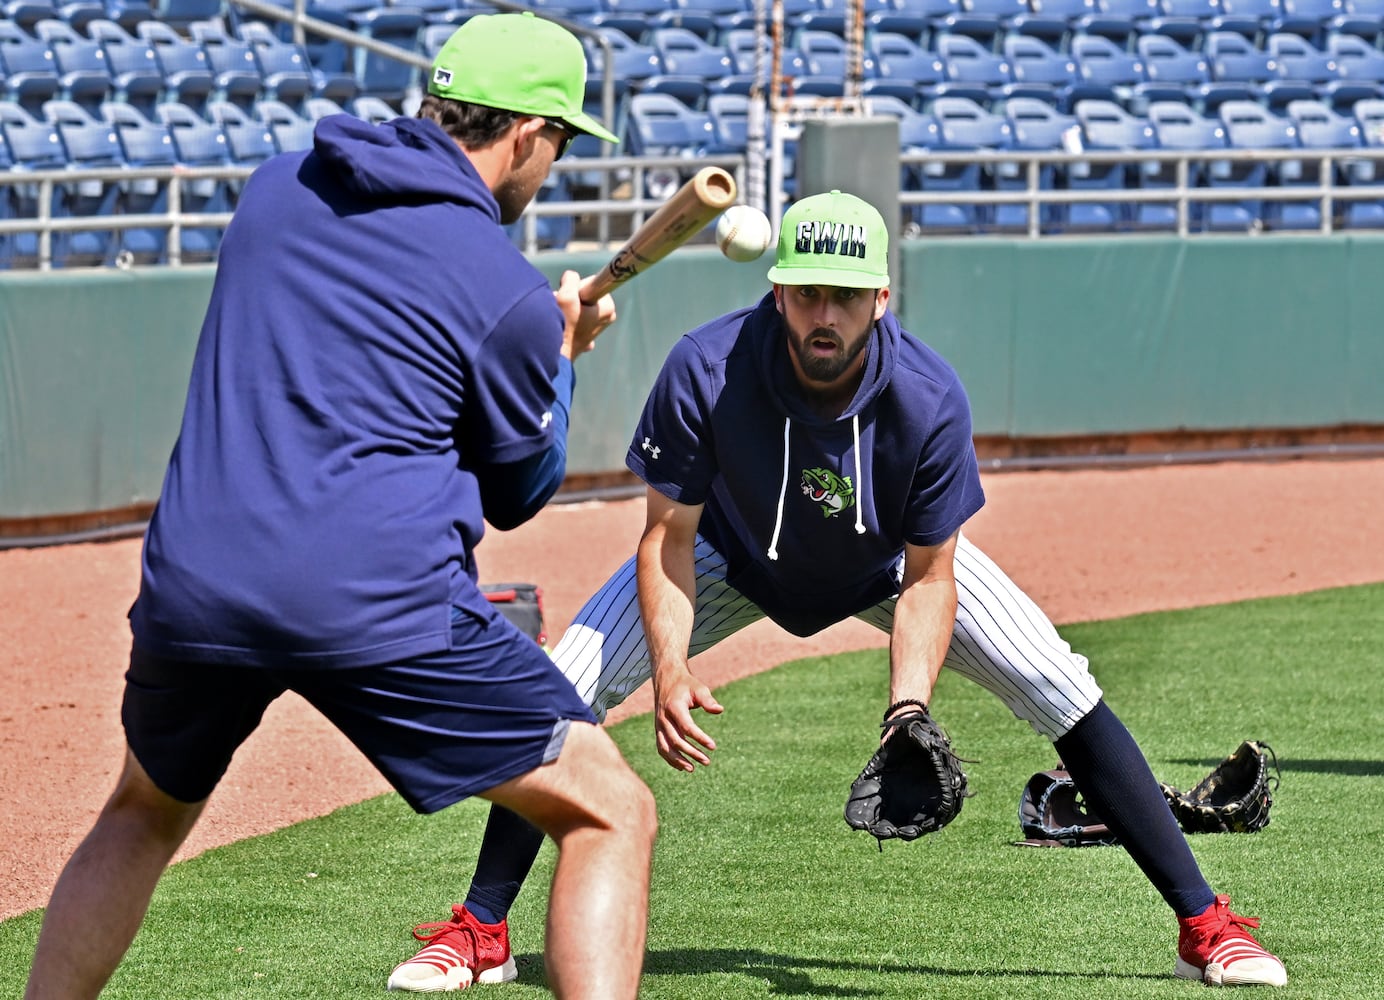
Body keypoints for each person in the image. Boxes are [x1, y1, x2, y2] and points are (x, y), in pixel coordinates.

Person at [388, 190, 1287, 992]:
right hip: (727, 555)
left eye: (845, 296)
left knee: (1059, 682)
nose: (825, 314)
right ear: (777, 290)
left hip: (887, 564)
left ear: (880, 300)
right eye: (807, 292)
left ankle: (1204, 926)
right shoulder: (706, 368)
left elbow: (932, 576)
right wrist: (667, 668)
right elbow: (666, 538)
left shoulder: (928, 398)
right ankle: (481, 930)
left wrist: (908, 709)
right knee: (568, 681)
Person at [23, 14, 657, 1000]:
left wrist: (537, 342)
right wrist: (559, 363)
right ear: (526, 135)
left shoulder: (278, 189)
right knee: (609, 809)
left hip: (198, 583)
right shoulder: (506, 290)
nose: (556, 164)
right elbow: (519, 490)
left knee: (141, 811)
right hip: (372, 599)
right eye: (562, 141)